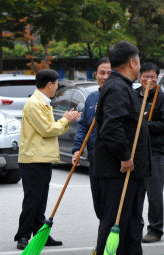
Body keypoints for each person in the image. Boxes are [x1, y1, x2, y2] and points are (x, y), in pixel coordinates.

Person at [93, 41, 151, 255]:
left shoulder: (123, 87)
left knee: (131, 224)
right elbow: (112, 128)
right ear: (132, 62)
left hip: (130, 171)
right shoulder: (117, 88)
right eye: (139, 62)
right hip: (119, 170)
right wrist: (125, 156)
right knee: (115, 223)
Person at [14, 69, 81, 250]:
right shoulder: (34, 104)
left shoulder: (44, 102)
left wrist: (68, 120)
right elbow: (47, 130)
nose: (57, 87)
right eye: (57, 84)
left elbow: (52, 129)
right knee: (32, 199)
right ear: (50, 84)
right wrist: (66, 119)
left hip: (42, 157)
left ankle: (40, 233)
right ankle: (22, 235)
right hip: (32, 159)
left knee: (41, 199)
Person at [135, 62, 164, 243]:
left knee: (154, 193)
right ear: (139, 77)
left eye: (152, 77)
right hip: (135, 151)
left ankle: (155, 229)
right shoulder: (134, 95)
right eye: (146, 76)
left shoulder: (163, 98)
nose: (149, 80)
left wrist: (143, 124)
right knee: (135, 192)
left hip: (155, 151)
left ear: (157, 77)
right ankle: (135, 226)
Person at [71, 57, 111, 220]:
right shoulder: (92, 98)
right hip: (94, 159)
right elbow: (83, 127)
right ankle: (105, 236)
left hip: (114, 161)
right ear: (95, 74)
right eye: (102, 73)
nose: (105, 77)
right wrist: (77, 149)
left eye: (110, 73)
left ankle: (111, 241)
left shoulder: (119, 97)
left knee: (113, 204)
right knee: (99, 203)